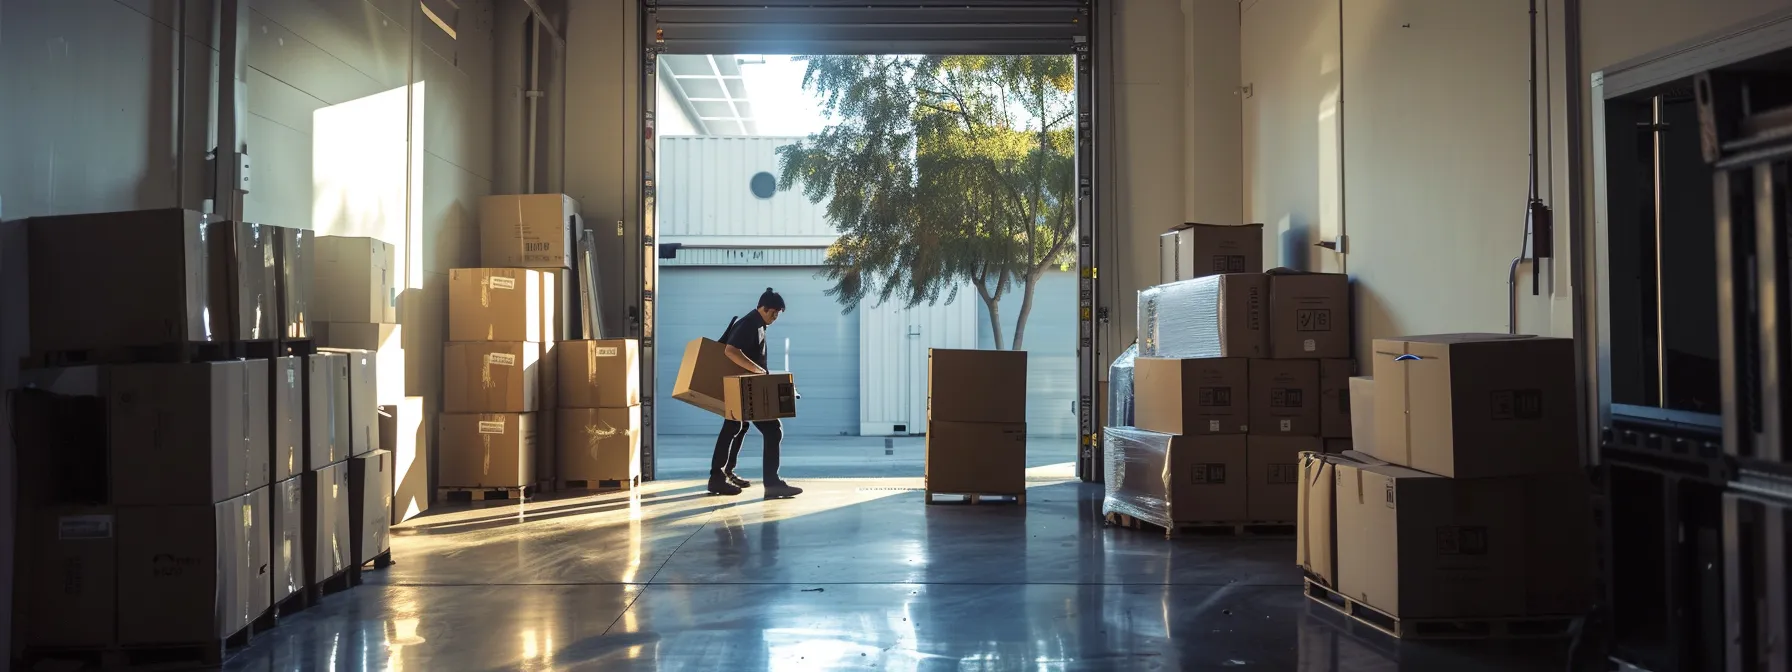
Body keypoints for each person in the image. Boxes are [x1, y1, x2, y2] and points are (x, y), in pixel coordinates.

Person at [709, 288, 803, 499]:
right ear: (763, 308)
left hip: (747, 389)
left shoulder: (759, 324)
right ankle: (770, 483)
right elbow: (730, 350)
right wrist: (758, 371)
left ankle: (722, 475)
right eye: (773, 313)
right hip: (743, 389)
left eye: (778, 314)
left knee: (736, 427)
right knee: (770, 430)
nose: (775, 317)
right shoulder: (749, 323)